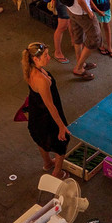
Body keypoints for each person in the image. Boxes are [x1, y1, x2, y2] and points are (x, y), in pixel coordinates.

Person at [24, 41, 70, 177]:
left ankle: (48, 163)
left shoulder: (29, 69)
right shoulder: (41, 80)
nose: (49, 57)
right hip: (45, 114)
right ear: (35, 59)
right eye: (45, 55)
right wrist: (61, 126)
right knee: (62, 140)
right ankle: (57, 172)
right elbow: (50, 105)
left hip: (35, 110)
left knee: (41, 138)